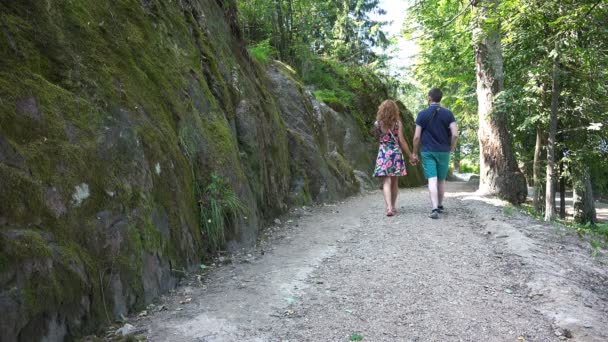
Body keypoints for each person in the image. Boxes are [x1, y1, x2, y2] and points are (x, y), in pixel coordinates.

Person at [413, 88, 458, 219]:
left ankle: (434, 208)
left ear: (429, 98)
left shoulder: (422, 114)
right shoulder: (449, 114)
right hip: (444, 151)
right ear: (440, 98)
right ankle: (440, 205)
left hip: (428, 151)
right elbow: (455, 134)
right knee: (441, 180)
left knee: (432, 179)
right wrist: (452, 148)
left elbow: (416, 137)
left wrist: (414, 152)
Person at [373, 100, 418, 216]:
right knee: (394, 181)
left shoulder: (377, 124)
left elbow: (378, 138)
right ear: (395, 111)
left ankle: (388, 208)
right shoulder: (397, 124)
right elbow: (401, 141)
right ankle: (393, 206)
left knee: (386, 181)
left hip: (383, 153)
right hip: (395, 153)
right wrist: (410, 156)